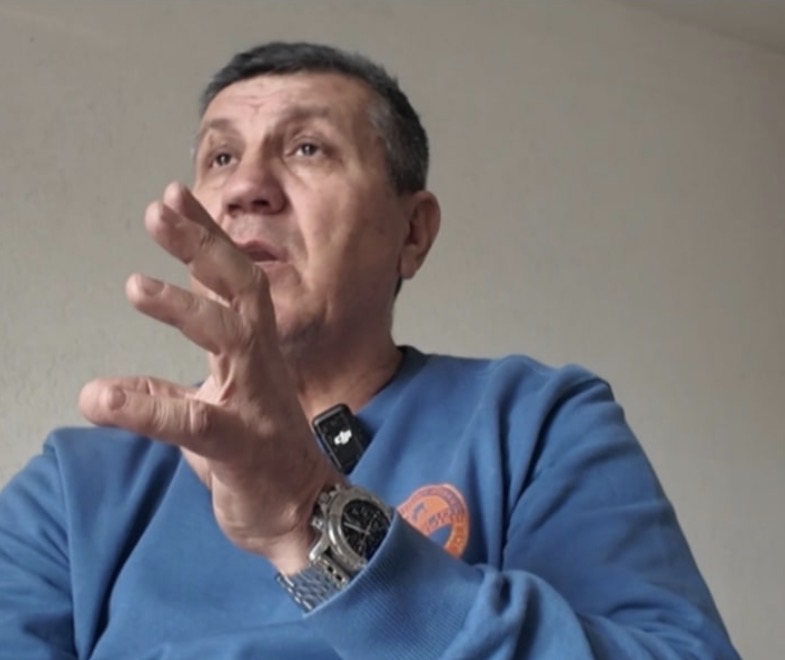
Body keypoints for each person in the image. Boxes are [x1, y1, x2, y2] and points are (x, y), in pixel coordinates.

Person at [0, 41, 739, 659]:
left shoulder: (537, 423)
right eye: (220, 157)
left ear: (412, 233)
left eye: (307, 148)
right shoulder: (72, 488)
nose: (247, 187)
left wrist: (308, 512)